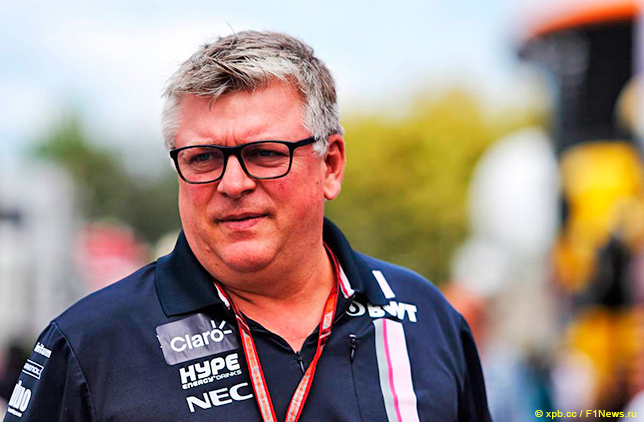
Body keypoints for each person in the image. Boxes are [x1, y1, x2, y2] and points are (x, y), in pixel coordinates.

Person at [4, 31, 491, 421]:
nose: (233, 183)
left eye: (264, 153)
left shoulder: (424, 318)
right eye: (203, 157)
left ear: (330, 165)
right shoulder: (89, 346)